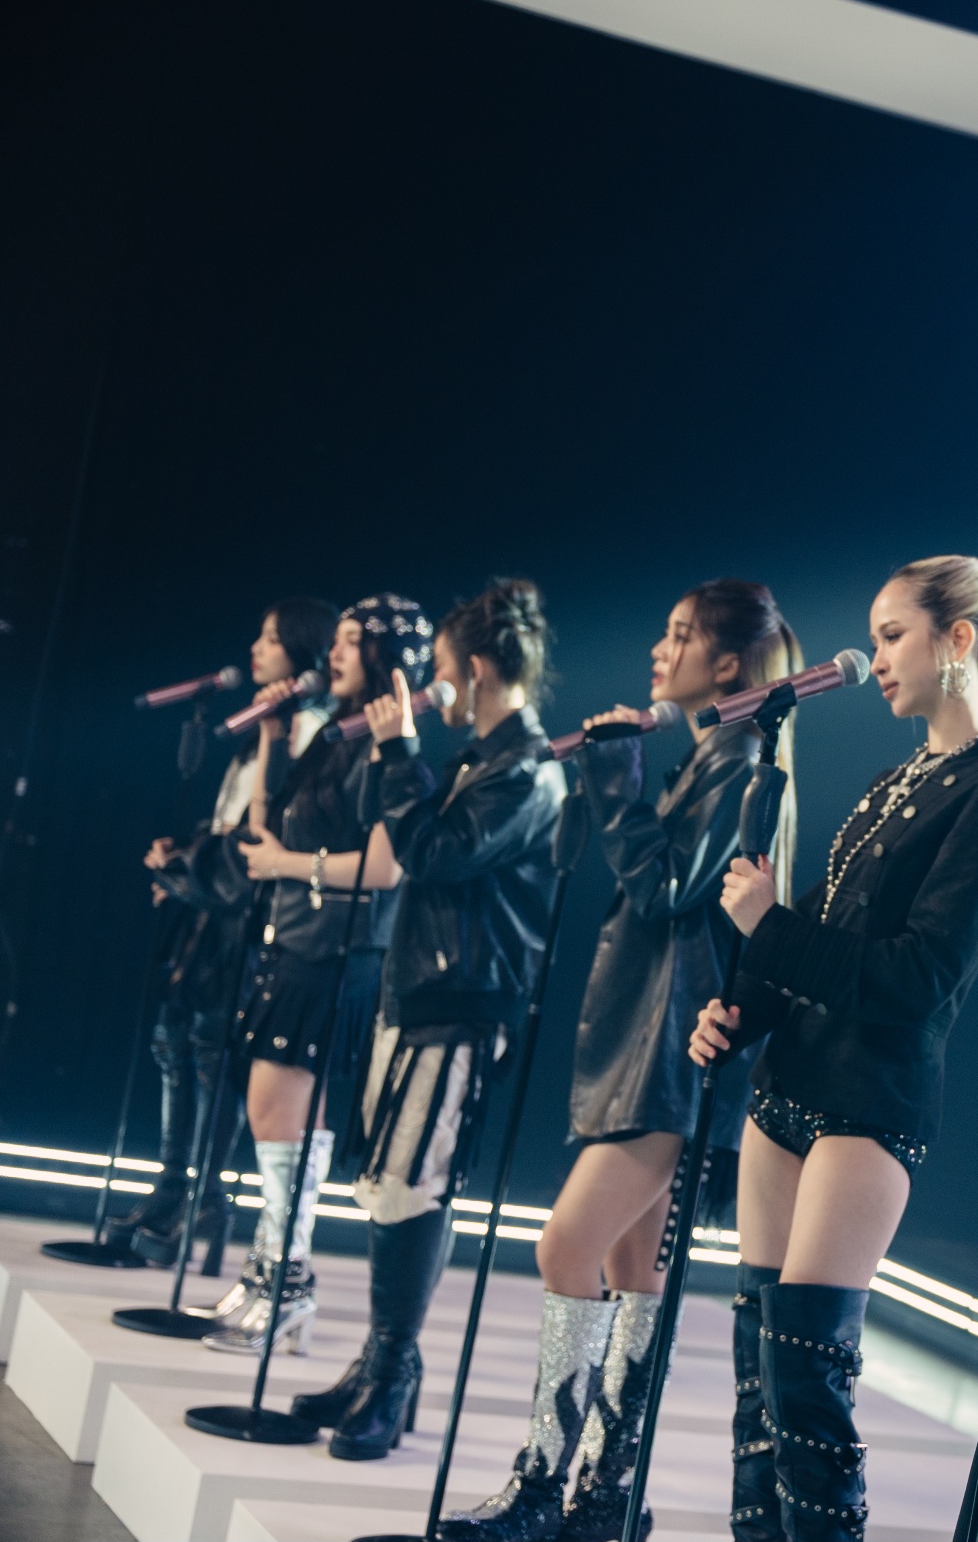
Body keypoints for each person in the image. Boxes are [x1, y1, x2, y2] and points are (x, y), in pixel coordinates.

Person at [690, 550, 978, 1542]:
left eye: (893, 635)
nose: (877, 658)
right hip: (786, 1085)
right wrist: (739, 1011)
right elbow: (823, 923)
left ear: (957, 638)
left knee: (806, 1376)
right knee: (759, 1376)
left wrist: (768, 929)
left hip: (867, 1101)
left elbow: (917, 977)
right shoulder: (900, 779)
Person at [442, 580, 801, 1542]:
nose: (657, 650)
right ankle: (602, 1499)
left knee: (565, 1245)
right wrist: (613, 786)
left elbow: (667, 887)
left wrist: (614, 782)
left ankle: (539, 1488)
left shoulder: (742, 765)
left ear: (727, 664)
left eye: (679, 635)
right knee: (629, 1265)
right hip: (649, 1041)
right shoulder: (709, 759)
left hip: (672, 1053)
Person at [289, 578, 567, 1461]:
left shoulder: (526, 769)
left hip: (462, 1004)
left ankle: (394, 1373)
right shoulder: (481, 759)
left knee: (414, 1183)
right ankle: (379, 1363)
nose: (428, 686)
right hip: (417, 994)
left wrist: (398, 751)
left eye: (439, 668)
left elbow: (436, 856)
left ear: (472, 670)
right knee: (391, 1185)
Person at [197, 595, 427, 1353]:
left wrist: (290, 866)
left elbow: (387, 868)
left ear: (386, 656)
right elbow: (268, 829)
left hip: (334, 951)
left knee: (275, 1112)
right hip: (296, 939)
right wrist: (271, 738)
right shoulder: (334, 735)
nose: (336, 652)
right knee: (295, 1119)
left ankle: (287, 1279)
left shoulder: (388, 747)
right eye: (338, 639)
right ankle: (272, 1272)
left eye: (353, 641)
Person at [131, 597, 339, 1268]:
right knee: (176, 1042)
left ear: (302, 652)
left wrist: (191, 868)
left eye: (271, 639)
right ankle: (175, 1190)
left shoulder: (311, 730)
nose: (256, 649)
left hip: (255, 920)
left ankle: (205, 1198)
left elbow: (268, 828)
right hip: (213, 908)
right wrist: (183, 856)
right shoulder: (264, 727)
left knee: (211, 1053)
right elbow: (232, 819)